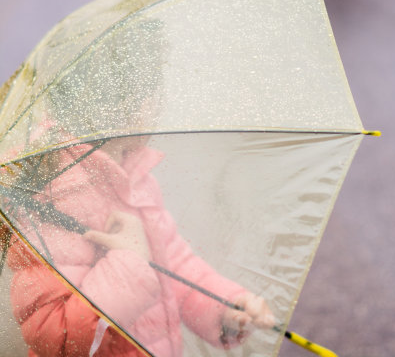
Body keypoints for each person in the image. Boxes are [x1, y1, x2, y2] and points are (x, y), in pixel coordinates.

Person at [2, 18, 276, 356]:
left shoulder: (130, 169)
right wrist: (130, 262)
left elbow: (172, 263)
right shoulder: (51, 198)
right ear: (136, 106)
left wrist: (225, 307)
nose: (158, 104)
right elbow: (56, 340)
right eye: (153, 90)